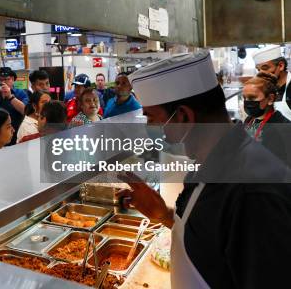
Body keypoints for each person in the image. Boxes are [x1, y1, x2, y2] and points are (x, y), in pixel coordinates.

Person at [117, 51, 291, 288]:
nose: (150, 127)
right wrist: (165, 215)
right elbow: (211, 241)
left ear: (182, 116)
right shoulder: (210, 164)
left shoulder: (254, 195)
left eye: (151, 117)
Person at [242, 73, 290, 164]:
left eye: (252, 98)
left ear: (270, 99)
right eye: (245, 98)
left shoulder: (283, 128)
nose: (247, 102)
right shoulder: (249, 120)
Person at [253, 45, 291, 120]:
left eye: (265, 68)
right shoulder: (266, 88)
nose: (261, 73)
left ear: (281, 66)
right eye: (258, 69)